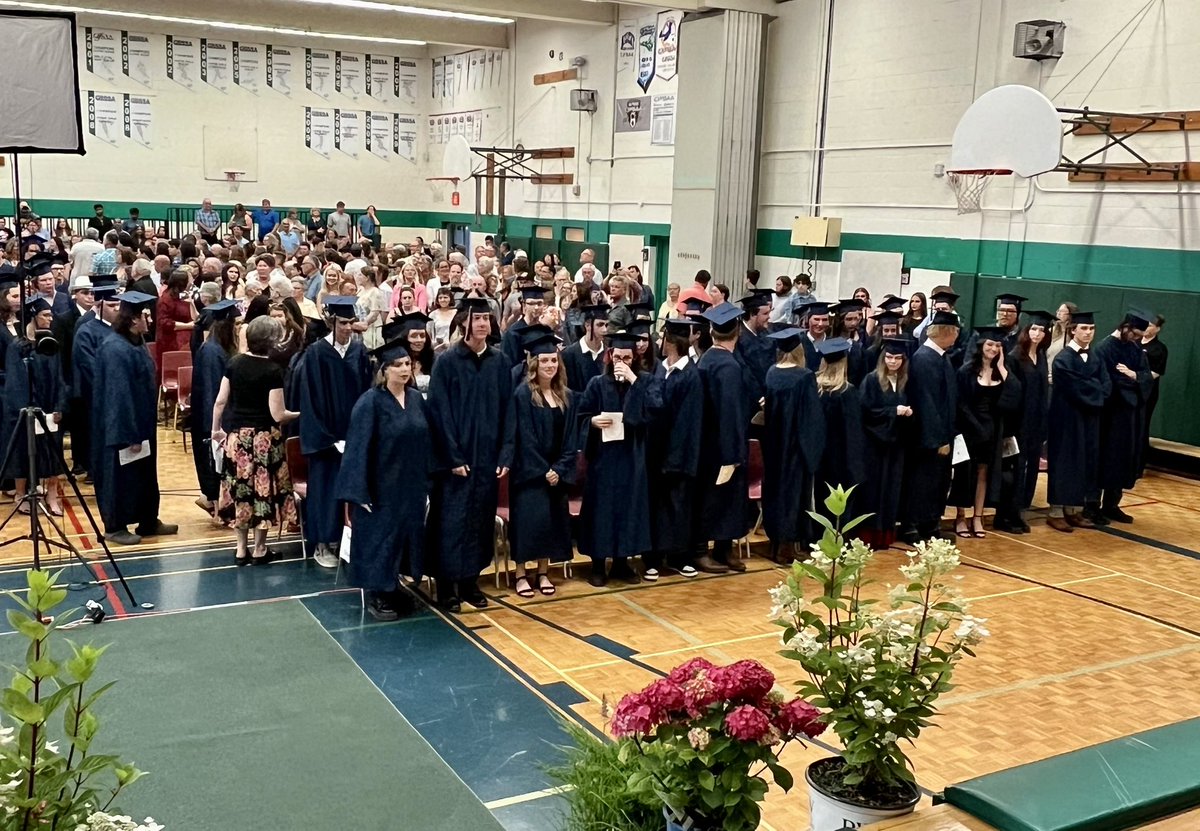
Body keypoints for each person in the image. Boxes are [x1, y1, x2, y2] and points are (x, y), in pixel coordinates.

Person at [425, 298, 512, 611]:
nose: (483, 324)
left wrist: (505, 454)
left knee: (479, 521)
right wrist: (453, 456)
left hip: (487, 458)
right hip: (456, 461)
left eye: (487, 319)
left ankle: (470, 581)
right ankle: (446, 585)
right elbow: (439, 413)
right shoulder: (447, 362)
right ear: (464, 323)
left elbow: (508, 411)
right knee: (451, 522)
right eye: (477, 319)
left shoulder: (499, 362)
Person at [335, 340, 431, 620]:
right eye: (398, 365)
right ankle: (377, 593)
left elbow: (426, 440)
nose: (404, 369)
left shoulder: (416, 399)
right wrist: (359, 491)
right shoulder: (370, 402)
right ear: (385, 370)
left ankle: (394, 586)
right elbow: (357, 448)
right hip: (380, 487)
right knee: (380, 539)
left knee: (405, 538)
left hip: (410, 485)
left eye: (407, 364)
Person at [210, 316, 299, 563]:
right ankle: (260, 548)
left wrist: (216, 430)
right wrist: (301, 413)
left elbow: (220, 401)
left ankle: (241, 549)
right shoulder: (273, 370)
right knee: (263, 493)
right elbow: (278, 414)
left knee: (240, 492)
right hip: (263, 440)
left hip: (237, 438)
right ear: (272, 341)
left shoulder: (234, 363)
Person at [92, 291, 178, 546]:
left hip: (142, 422)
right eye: (146, 316)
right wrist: (129, 434)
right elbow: (118, 395)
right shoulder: (114, 349)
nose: (150, 321)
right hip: (122, 427)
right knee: (119, 477)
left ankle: (148, 519)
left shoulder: (135, 341)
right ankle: (115, 526)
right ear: (133, 320)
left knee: (145, 475)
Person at [577, 330, 660, 585]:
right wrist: (592, 421)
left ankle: (622, 564)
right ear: (610, 357)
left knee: (628, 509)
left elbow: (656, 409)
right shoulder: (597, 384)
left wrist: (635, 381)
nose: (621, 362)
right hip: (604, 459)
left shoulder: (645, 381)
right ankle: (598, 566)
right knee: (602, 511)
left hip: (631, 457)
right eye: (617, 357)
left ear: (634, 358)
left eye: (627, 358)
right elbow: (581, 415)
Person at [296, 295, 373, 566]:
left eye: (351, 323)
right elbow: (310, 400)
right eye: (343, 323)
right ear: (332, 322)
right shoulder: (316, 353)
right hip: (326, 441)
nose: (348, 328)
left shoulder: (359, 352)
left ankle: (348, 543)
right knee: (325, 489)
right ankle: (323, 544)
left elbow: (367, 394)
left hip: (354, 437)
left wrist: (360, 434)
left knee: (354, 489)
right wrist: (328, 439)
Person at [505, 331, 576, 597]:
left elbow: (570, 438)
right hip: (530, 475)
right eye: (544, 360)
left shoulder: (565, 396)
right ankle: (521, 574)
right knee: (528, 525)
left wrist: (559, 469)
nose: (550, 365)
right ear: (534, 364)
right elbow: (525, 436)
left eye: (554, 360)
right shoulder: (523, 394)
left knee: (550, 524)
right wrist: (544, 470)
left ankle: (543, 573)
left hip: (556, 474)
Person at [693, 303, 753, 573]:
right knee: (715, 499)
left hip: (707, 441)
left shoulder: (707, 358)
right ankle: (701, 551)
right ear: (738, 331)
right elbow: (731, 412)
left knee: (722, 499)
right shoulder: (727, 366)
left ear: (711, 331)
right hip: (722, 445)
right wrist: (734, 452)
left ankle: (723, 549)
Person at [646, 318, 704, 580]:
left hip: (677, 456)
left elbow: (687, 422)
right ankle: (653, 558)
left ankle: (680, 557)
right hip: (655, 454)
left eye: (663, 338)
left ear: (670, 343)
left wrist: (673, 457)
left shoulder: (690, 375)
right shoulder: (660, 370)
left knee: (678, 507)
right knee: (656, 508)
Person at [760, 327, 825, 562]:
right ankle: (788, 547)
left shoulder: (771, 373)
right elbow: (811, 418)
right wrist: (813, 452)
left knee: (775, 492)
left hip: (773, 446)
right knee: (793, 495)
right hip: (796, 448)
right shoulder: (804, 376)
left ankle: (775, 544)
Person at [949, 328, 1020, 539]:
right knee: (965, 474)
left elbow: (1015, 394)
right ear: (981, 346)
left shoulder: (1001, 372)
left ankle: (978, 517)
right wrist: (975, 427)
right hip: (969, 428)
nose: (993, 348)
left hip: (993, 430)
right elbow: (960, 403)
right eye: (990, 344)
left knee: (984, 473)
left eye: (998, 345)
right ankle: (960, 516)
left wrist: (1002, 366)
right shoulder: (966, 371)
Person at [1046, 311, 1110, 533]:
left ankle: (1073, 510)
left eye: (1091, 329)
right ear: (1073, 330)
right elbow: (1076, 389)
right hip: (1066, 419)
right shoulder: (1063, 359)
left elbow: (1106, 385)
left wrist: (1092, 386)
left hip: (1089, 419)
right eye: (1084, 328)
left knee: (1084, 461)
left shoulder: (1096, 357)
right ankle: (1056, 512)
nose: (1088, 333)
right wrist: (1094, 387)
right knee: (1065, 462)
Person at [3, 297, 68, 515]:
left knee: (52, 453)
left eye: (51, 315)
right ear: (33, 317)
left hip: (50, 407)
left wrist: (59, 405)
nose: (50, 319)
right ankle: (21, 494)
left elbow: (59, 377)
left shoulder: (51, 344)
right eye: (45, 315)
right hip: (27, 409)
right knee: (23, 452)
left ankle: (52, 495)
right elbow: (16, 382)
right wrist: (25, 410)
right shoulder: (18, 347)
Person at [900, 310, 961, 543]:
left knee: (938, 482)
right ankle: (911, 526)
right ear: (947, 332)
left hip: (943, 434)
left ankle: (930, 523)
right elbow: (926, 403)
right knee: (921, 481)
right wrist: (938, 439)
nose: (956, 337)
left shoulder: (941, 357)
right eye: (955, 332)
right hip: (927, 438)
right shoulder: (924, 359)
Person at [1089, 310, 1153, 525]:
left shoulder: (1135, 349)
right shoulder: (1104, 348)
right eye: (1135, 334)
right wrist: (1129, 381)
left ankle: (1112, 504)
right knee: (1104, 459)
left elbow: (1145, 377)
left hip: (1128, 416)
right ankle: (1091, 505)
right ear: (1125, 327)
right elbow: (1106, 380)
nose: (1137, 339)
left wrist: (1135, 376)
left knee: (1122, 460)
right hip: (1109, 415)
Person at [994, 311, 1052, 534]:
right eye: (1034, 329)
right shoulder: (1015, 357)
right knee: (1014, 471)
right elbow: (1012, 392)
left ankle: (1018, 511)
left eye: (1041, 330)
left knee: (1030, 470)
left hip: (1036, 423)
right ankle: (1005, 515)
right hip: (1017, 423)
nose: (1037, 334)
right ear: (1027, 331)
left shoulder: (1041, 356)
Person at [858, 337, 913, 549]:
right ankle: (869, 535)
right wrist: (893, 411)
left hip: (896, 444)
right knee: (873, 489)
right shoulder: (871, 380)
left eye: (897, 358)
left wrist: (908, 413)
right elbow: (865, 412)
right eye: (889, 357)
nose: (893, 362)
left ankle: (885, 535)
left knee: (891, 488)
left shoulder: (905, 381)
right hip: (874, 445)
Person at [190, 299, 241, 514]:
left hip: (215, 416)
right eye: (236, 324)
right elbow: (213, 392)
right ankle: (218, 507)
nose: (238, 329)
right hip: (210, 419)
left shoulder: (218, 348)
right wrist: (218, 424)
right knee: (215, 465)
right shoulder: (211, 352)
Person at [812, 337, 865, 523]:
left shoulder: (814, 388)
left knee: (820, 500)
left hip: (819, 458)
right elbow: (853, 432)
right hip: (841, 460)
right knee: (839, 509)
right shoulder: (846, 392)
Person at [155, 269, 196, 380]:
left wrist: (191, 303)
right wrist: (188, 326)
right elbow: (164, 323)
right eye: (190, 280)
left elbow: (194, 317)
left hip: (186, 341)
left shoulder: (183, 296)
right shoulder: (166, 300)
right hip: (172, 342)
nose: (192, 282)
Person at [1139, 314, 1167, 470]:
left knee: (1142, 426)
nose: (1146, 327)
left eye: (1150, 325)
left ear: (1157, 328)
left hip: (1147, 393)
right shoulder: (1135, 342)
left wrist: (1135, 375)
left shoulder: (1159, 349)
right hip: (1128, 391)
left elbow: (1156, 373)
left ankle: (1139, 464)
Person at [562, 304, 608, 392]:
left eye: (606, 325)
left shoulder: (608, 353)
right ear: (587, 325)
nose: (605, 330)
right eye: (600, 325)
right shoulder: (569, 354)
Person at [500, 286, 546, 366]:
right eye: (531, 303)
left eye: (539, 303)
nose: (536, 307)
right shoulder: (513, 333)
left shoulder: (546, 330)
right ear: (524, 306)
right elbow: (507, 364)